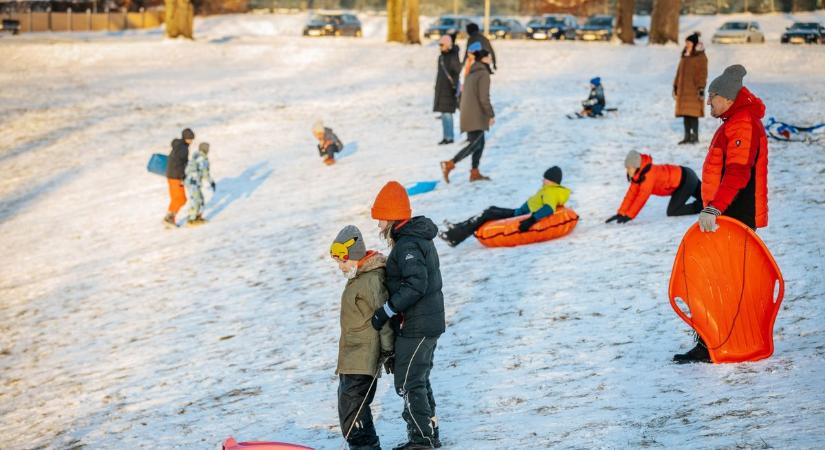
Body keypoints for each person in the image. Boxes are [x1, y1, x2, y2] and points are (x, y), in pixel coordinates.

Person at [673, 64, 769, 364]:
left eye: (712, 97)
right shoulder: (734, 121)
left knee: (723, 278)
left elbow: (739, 173)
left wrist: (715, 207)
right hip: (727, 213)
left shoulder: (742, 124)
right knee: (720, 277)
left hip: (734, 214)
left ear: (727, 98)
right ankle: (716, 340)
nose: (708, 102)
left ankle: (721, 342)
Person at [368, 181, 445, 450]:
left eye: (380, 220)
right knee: (419, 379)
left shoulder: (408, 245)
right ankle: (429, 435)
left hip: (418, 324)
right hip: (423, 322)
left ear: (391, 217)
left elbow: (416, 284)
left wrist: (386, 311)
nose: (378, 226)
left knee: (409, 381)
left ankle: (421, 441)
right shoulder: (411, 239)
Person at [330, 225, 395, 450]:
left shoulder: (371, 280)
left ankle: (366, 447)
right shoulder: (359, 275)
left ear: (355, 255)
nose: (340, 267)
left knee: (353, 410)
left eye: (342, 261)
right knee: (346, 405)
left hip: (363, 356)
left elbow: (383, 315)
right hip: (351, 356)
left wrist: (388, 351)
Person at [439, 166, 569, 247]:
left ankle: (454, 237)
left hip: (521, 216)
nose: (543, 181)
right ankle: (458, 227)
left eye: (545, 178)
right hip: (520, 212)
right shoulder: (552, 190)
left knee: (488, 213)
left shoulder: (551, 191)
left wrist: (531, 220)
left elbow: (549, 208)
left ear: (552, 180)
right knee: (490, 210)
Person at [440, 46, 495, 183]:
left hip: (468, 113)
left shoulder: (473, 71)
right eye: (488, 57)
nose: (490, 59)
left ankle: (474, 172)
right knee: (474, 145)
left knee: (479, 144)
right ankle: (449, 164)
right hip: (475, 115)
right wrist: (490, 114)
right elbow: (484, 98)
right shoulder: (483, 74)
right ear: (483, 59)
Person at [605, 151, 702, 224]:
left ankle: (702, 206)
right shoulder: (638, 175)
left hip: (685, 181)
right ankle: (707, 204)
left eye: (629, 168)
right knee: (710, 197)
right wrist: (621, 213)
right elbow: (631, 194)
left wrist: (629, 216)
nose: (628, 171)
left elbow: (641, 198)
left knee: (673, 211)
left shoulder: (648, 176)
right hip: (686, 175)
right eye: (627, 168)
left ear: (636, 166)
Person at [673, 32, 708, 145]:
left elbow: (703, 73)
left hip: (694, 89)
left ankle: (695, 136)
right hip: (683, 89)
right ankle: (687, 136)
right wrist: (675, 86)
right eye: (686, 42)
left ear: (694, 43)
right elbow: (679, 72)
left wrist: (701, 88)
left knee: (693, 114)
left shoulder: (700, 57)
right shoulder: (685, 55)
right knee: (685, 114)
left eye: (688, 42)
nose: (686, 44)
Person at [434, 35, 461, 145]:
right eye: (439, 45)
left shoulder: (452, 56)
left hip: (449, 89)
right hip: (442, 88)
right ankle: (446, 136)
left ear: (448, 45)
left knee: (447, 114)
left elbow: (456, 72)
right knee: (444, 114)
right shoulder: (441, 57)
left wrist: (454, 87)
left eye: (442, 44)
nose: (440, 47)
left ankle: (449, 137)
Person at [163, 128, 194, 227]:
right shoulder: (183, 149)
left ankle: (169, 218)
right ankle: (169, 218)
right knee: (181, 199)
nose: (191, 140)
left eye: (192, 138)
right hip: (176, 176)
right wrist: (182, 177)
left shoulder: (178, 145)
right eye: (190, 138)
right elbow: (180, 164)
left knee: (176, 198)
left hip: (171, 175)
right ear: (185, 138)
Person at [184, 142, 216, 226]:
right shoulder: (202, 158)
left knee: (199, 198)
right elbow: (205, 172)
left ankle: (197, 216)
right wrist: (211, 182)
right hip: (193, 182)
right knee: (196, 199)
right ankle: (192, 219)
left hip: (190, 181)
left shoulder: (195, 155)